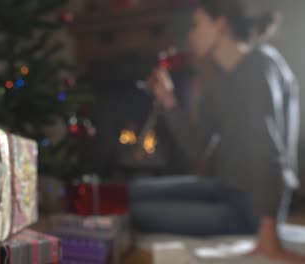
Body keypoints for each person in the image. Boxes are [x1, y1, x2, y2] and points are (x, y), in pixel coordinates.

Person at [130, 0, 304, 263]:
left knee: (139, 210)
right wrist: (168, 102)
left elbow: (270, 152)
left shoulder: (260, 66)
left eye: (197, 24)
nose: (190, 34)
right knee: (136, 190)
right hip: (225, 187)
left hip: (254, 207)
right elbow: (198, 147)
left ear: (221, 25)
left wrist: (268, 233)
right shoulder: (219, 84)